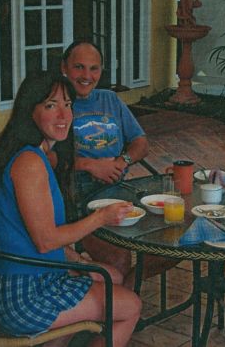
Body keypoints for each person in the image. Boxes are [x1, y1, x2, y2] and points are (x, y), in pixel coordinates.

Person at [0, 71, 141, 346]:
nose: (64, 115)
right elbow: (45, 240)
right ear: (30, 111)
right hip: (21, 294)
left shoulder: (25, 152)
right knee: (131, 307)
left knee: (112, 275)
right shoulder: (29, 163)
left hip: (13, 277)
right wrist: (101, 217)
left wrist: (80, 263)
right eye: (51, 106)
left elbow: (28, 235)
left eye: (67, 105)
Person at [60, 40, 178, 288]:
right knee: (118, 260)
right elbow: (44, 157)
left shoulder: (109, 100)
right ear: (64, 68)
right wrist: (89, 165)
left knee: (173, 242)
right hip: (77, 204)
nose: (86, 76)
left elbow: (141, 143)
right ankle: (117, 303)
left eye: (94, 69)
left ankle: (126, 291)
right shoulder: (56, 102)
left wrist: (122, 161)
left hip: (118, 195)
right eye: (79, 67)